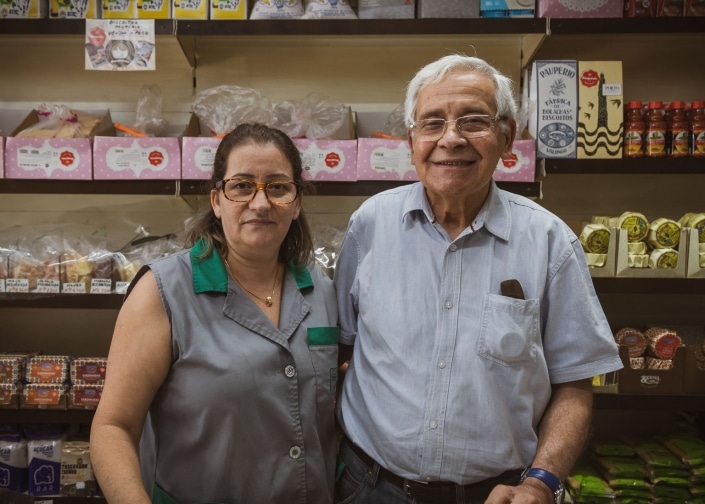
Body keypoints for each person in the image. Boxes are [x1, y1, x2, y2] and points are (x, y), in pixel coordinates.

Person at [333, 54, 624, 504]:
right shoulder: (369, 224)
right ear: (412, 141)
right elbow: (346, 348)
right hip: (370, 486)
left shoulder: (550, 242)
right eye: (432, 123)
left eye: (473, 121)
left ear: (507, 137)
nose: (451, 138)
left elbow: (575, 383)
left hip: (499, 495)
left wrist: (541, 482)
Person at [90, 123, 339, 504]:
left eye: (278, 187)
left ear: (297, 201)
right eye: (241, 186)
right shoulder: (164, 291)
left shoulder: (320, 288)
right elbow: (113, 427)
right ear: (217, 201)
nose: (260, 203)